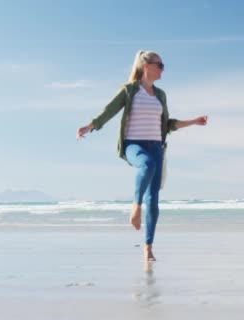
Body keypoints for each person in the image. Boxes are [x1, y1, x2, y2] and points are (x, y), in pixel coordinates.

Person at [77, 50, 208, 261]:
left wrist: (193, 121)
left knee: (154, 200)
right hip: (133, 145)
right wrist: (90, 126)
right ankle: (135, 206)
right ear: (146, 65)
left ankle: (148, 247)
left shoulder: (160, 95)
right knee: (146, 165)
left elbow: (167, 125)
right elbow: (109, 110)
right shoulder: (129, 91)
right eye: (160, 64)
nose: (163, 69)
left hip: (157, 146)